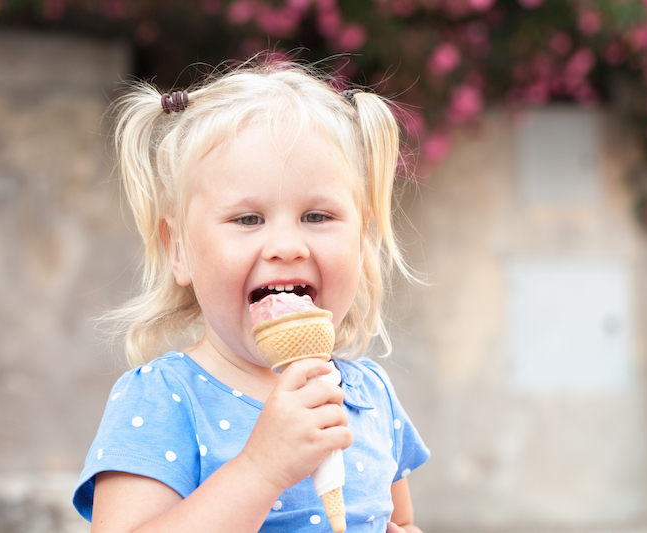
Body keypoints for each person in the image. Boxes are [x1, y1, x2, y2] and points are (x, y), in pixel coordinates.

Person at [73, 57, 430, 533]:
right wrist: (261, 470)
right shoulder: (164, 399)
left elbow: (398, 521)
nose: (285, 246)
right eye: (247, 219)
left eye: (318, 216)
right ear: (178, 248)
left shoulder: (370, 396)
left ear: (362, 241)